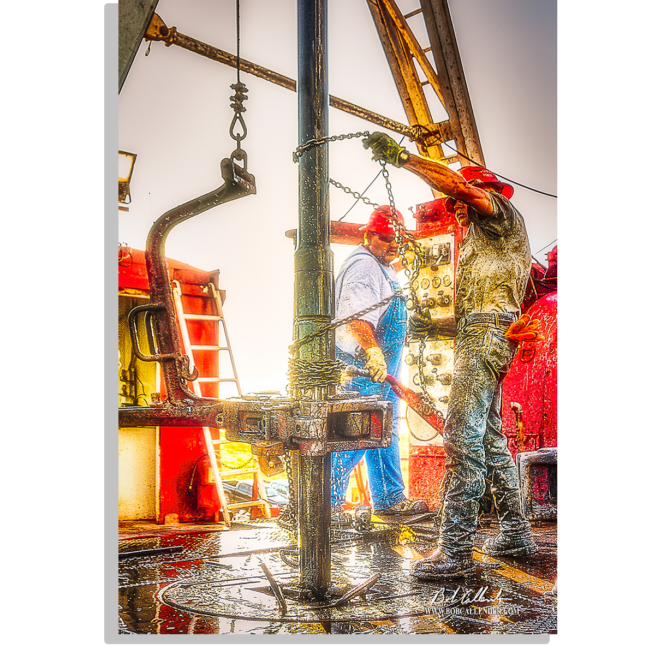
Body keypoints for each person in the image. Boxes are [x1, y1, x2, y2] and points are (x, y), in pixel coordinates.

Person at [362, 132, 538, 579]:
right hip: (485, 332)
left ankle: (455, 549)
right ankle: (515, 531)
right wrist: (431, 325)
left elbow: (460, 189)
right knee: (490, 438)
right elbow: (482, 306)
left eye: (466, 197)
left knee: (462, 436)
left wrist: (403, 158)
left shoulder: (499, 215)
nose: (459, 206)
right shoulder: (483, 239)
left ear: (489, 194)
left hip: (485, 336)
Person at [331, 206, 428, 523]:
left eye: (396, 240)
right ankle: (324, 505)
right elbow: (357, 316)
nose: (392, 246)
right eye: (385, 239)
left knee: (384, 431)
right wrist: (373, 353)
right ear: (368, 234)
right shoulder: (363, 267)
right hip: (363, 366)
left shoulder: (380, 265)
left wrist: (403, 262)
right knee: (356, 435)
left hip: (382, 369)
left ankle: (389, 499)